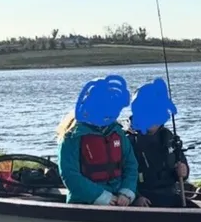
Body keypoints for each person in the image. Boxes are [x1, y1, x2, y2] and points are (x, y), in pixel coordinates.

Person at [56, 74, 139, 206]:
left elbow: (131, 165)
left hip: (119, 200)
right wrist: (101, 197)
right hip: (83, 202)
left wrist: (126, 193)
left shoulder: (117, 132)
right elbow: (69, 174)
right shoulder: (72, 136)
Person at [127, 77, 189, 208]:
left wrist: (184, 171)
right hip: (144, 199)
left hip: (170, 195)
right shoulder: (128, 140)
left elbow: (180, 162)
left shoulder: (168, 137)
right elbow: (120, 177)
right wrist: (136, 197)